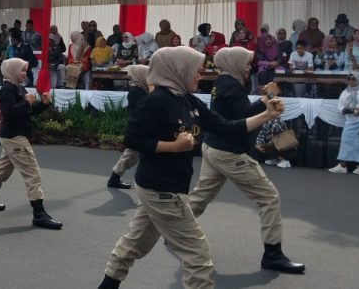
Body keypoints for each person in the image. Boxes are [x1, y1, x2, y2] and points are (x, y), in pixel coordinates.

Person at [97, 46, 284, 289]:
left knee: (135, 243)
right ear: (179, 70)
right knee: (198, 255)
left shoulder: (187, 99)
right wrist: (172, 146)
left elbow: (225, 127)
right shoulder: (156, 101)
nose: (201, 75)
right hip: (161, 189)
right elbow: (132, 139)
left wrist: (266, 115)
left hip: (165, 187)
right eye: (197, 70)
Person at [188, 47, 305, 275]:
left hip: (212, 147)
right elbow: (244, 116)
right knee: (269, 198)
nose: (249, 66)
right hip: (229, 152)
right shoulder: (231, 85)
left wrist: (263, 98)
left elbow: (233, 114)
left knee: (201, 196)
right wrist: (267, 97)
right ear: (233, 63)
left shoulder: (222, 82)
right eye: (245, 62)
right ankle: (272, 254)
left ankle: (175, 231)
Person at [0, 57, 63, 230]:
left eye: (25, 70)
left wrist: (43, 104)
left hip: (13, 137)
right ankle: (39, 214)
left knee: (1, 171)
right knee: (33, 173)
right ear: (13, 71)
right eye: (22, 70)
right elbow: (10, 113)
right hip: (15, 137)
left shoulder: (17, 87)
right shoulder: (7, 90)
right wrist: (27, 102)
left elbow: (27, 112)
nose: (25, 73)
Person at [106, 65, 149, 189]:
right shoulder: (136, 92)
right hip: (138, 128)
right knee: (132, 155)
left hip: (140, 127)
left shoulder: (140, 89)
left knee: (132, 155)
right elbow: (143, 110)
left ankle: (115, 179)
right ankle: (115, 179)